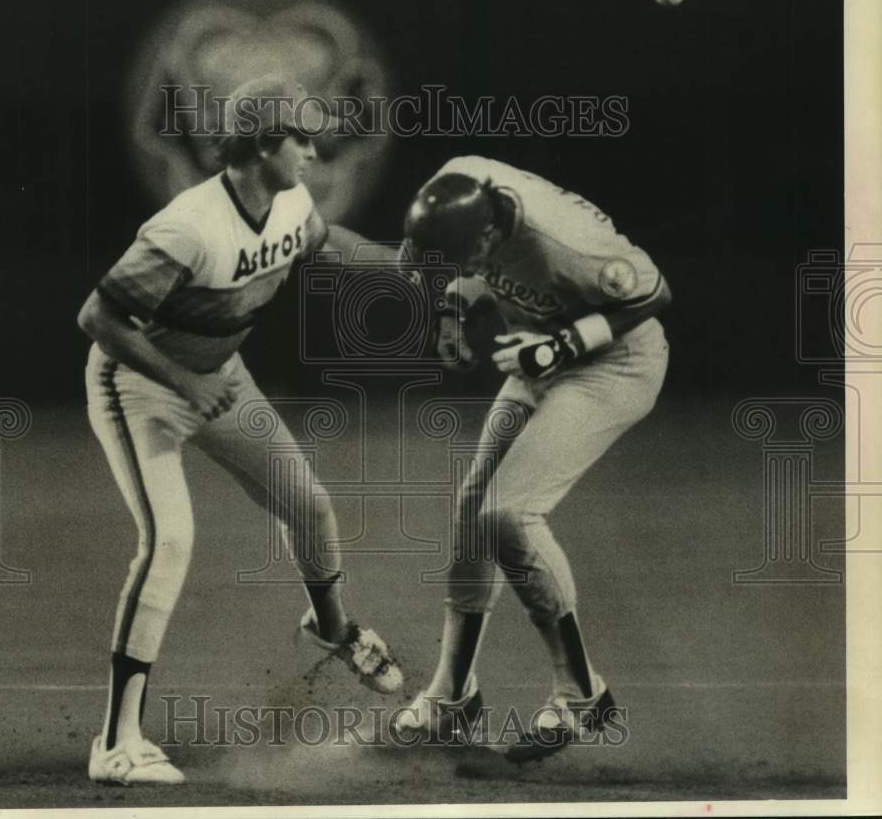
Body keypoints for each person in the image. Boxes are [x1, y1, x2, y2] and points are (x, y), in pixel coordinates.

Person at [77, 75, 402, 785]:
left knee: (309, 505)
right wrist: (184, 381)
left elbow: (326, 244)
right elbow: (98, 318)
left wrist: (408, 266)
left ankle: (333, 628)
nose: (314, 152)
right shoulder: (189, 226)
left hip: (220, 377)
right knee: (169, 541)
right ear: (261, 143)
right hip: (138, 387)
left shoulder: (290, 203)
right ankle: (117, 743)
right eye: (302, 138)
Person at [393, 156, 671, 763]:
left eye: (464, 259)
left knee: (509, 513)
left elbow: (654, 293)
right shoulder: (456, 189)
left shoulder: (564, 243)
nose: (460, 269)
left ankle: (582, 694)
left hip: (614, 366)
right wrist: (451, 309)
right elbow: (455, 263)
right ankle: (452, 696)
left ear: (489, 236)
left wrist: (562, 345)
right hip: (539, 352)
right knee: (474, 511)